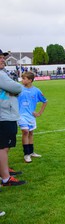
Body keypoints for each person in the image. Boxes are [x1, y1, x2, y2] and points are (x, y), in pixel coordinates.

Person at [0, 49, 26, 187]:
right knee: (3, 147)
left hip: (5, 114)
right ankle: (5, 178)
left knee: (4, 146)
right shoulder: (0, 75)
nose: (3, 59)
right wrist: (14, 90)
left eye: (3, 57)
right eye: (0, 58)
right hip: (4, 116)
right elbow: (17, 88)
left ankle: (4, 169)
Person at [17, 71, 48, 163]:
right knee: (25, 132)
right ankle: (26, 154)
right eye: (22, 78)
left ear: (30, 80)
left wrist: (39, 113)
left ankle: (31, 152)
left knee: (31, 133)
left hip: (31, 116)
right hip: (21, 115)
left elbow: (45, 101)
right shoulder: (19, 89)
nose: (22, 80)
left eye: (24, 78)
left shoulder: (36, 91)